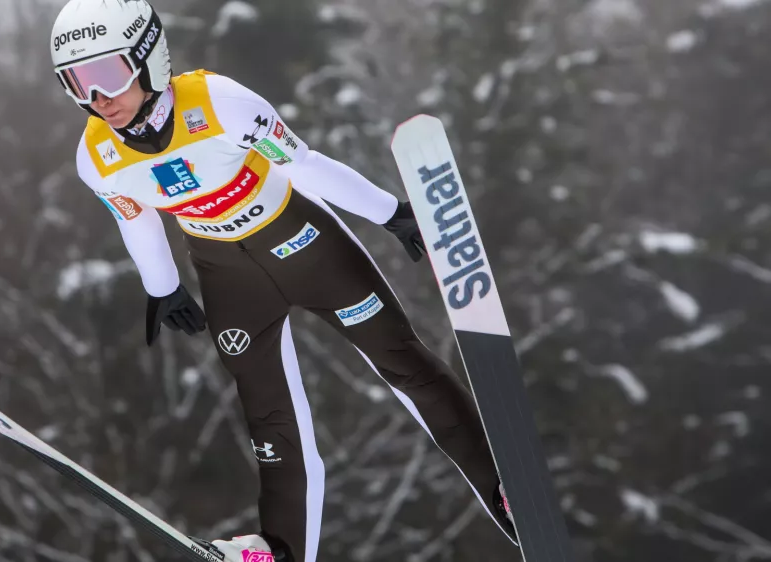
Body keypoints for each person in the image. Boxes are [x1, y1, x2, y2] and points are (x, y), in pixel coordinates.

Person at [51, 1, 517, 560]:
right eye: (78, 82)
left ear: (149, 58)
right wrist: (162, 286)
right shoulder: (96, 156)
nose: (98, 98)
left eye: (108, 74)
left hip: (306, 245)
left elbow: (304, 165)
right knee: (270, 421)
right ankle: (281, 550)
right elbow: (135, 218)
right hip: (229, 277)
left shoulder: (222, 104)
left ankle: (503, 491)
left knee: (402, 361)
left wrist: (388, 210)